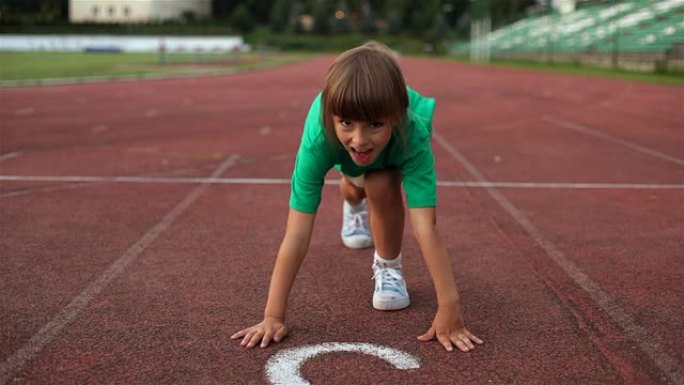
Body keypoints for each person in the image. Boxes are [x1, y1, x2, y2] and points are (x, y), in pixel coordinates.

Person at [231, 41, 483, 352]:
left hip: (388, 155)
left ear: (395, 116)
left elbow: (425, 227)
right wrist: (272, 315)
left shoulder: (412, 133)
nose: (360, 138)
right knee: (355, 182)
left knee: (381, 182)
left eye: (375, 124)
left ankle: (388, 265)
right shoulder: (319, 137)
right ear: (331, 116)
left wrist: (450, 306)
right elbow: (296, 235)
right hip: (344, 156)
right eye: (347, 123)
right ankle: (352, 200)